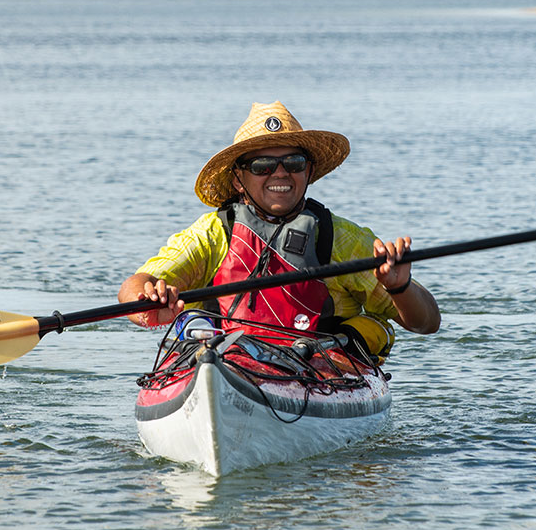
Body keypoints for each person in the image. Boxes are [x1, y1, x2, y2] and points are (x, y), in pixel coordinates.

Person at [118, 101, 439, 363]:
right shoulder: (214, 232)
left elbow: (426, 322)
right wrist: (149, 301)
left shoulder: (341, 238)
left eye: (294, 163)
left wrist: (400, 287)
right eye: (262, 166)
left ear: (309, 171)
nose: (280, 173)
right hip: (222, 363)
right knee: (190, 325)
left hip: (319, 371)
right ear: (237, 180)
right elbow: (134, 286)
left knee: (372, 329)